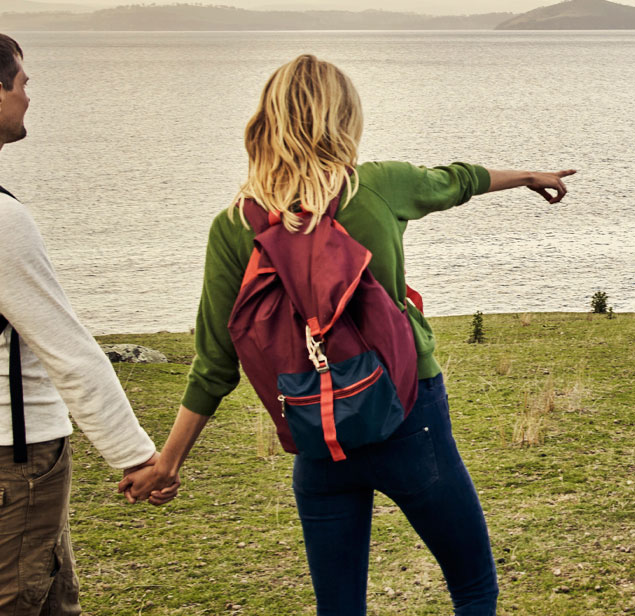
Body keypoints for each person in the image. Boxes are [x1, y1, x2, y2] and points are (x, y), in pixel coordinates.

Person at [123, 53, 574, 616]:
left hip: (318, 433)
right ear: (344, 119)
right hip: (411, 416)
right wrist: (530, 175)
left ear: (268, 120)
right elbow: (458, 181)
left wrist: (169, 461)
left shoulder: (235, 226)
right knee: (473, 587)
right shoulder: (380, 186)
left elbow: (214, 364)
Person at [0, 23, 162, 616]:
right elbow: (68, 350)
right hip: (10, 456)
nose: (28, 96)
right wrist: (138, 458)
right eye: (22, 82)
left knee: (51, 604)